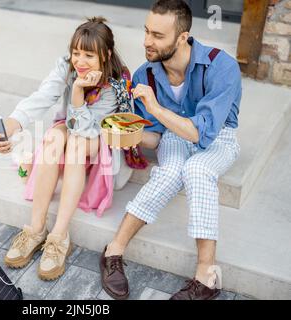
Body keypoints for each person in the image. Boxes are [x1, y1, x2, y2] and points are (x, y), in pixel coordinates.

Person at [99, 0, 241, 300]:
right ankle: (113, 252)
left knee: (197, 168)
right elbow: (154, 137)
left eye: (158, 35)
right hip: (174, 137)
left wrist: (154, 107)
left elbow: (201, 133)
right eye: (146, 31)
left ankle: (206, 276)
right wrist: (125, 134)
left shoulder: (221, 66)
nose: (147, 41)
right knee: (168, 173)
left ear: (182, 37)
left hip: (219, 138)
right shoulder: (145, 75)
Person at [0, 17, 132, 280]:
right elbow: (43, 97)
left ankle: (59, 236)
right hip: (73, 126)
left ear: (106, 54)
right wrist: (10, 125)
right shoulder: (66, 67)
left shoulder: (114, 83)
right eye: (76, 52)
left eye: (89, 54)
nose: (80, 61)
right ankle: (35, 229)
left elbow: (86, 129)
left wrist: (77, 91)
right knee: (54, 138)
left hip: (96, 137)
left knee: (75, 142)